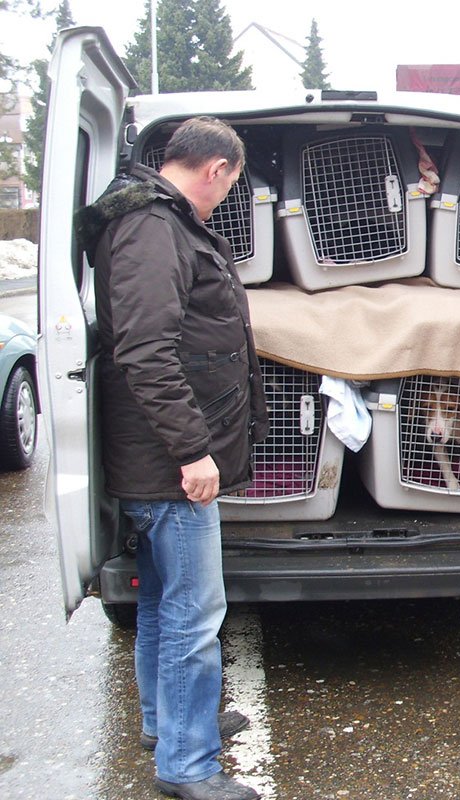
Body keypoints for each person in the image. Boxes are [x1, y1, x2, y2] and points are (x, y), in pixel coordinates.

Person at [78, 116, 270, 800]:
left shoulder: (154, 221)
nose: (224, 197)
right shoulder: (154, 226)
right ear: (215, 169)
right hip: (169, 463)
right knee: (194, 613)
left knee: (161, 600)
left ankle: (169, 725)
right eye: (230, 185)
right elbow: (147, 352)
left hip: (156, 458)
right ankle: (189, 766)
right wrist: (193, 451)